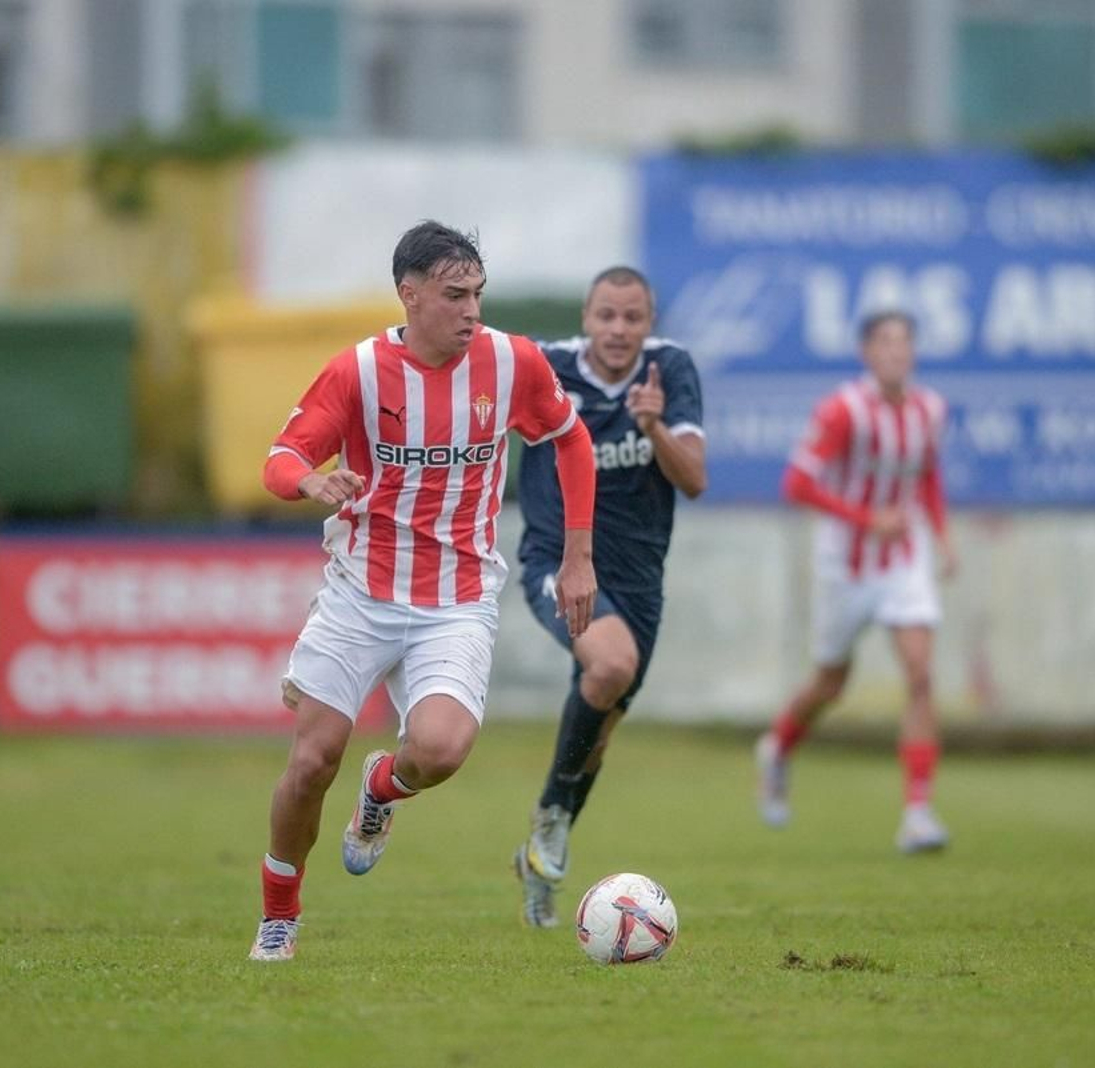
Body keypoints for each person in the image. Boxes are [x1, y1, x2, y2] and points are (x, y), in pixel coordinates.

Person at [249, 221, 598, 962]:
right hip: (360, 593)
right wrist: (309, 480)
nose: (471, 310)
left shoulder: (512, 362)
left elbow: (571, 438)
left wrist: (578, 557)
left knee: (439, 751)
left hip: (457, 597)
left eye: (477, 294)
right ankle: (279, 915)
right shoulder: (359, 372)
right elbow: (281, 458)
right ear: (409, 296)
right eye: (454, 295)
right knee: (312, 762)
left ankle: (382, 788)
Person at [511, 266, 706, 927]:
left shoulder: (669, 370)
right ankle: (551, 818)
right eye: (606, 315)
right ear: (586, 318)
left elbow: (694, 479)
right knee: (613, 664)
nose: (619, 329)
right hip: (559, 563)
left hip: (639, 581)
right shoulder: (546, 366)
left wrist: (654, 427)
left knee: (597, 737)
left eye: (632, 317)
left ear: (649, 323)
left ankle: (541, 852)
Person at [754, 309, 958, 854]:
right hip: (845, 565)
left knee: (920, 674)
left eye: (904, 342)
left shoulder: (930, 409)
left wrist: (943, 538)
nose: (895, 351)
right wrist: (867, 520)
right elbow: (797, 483)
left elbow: (928, 476)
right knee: (830, 683)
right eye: (884, 342)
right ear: (866, 352)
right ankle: (777, 748)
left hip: (904, 560)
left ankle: (918, 813)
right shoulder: (843, 410)